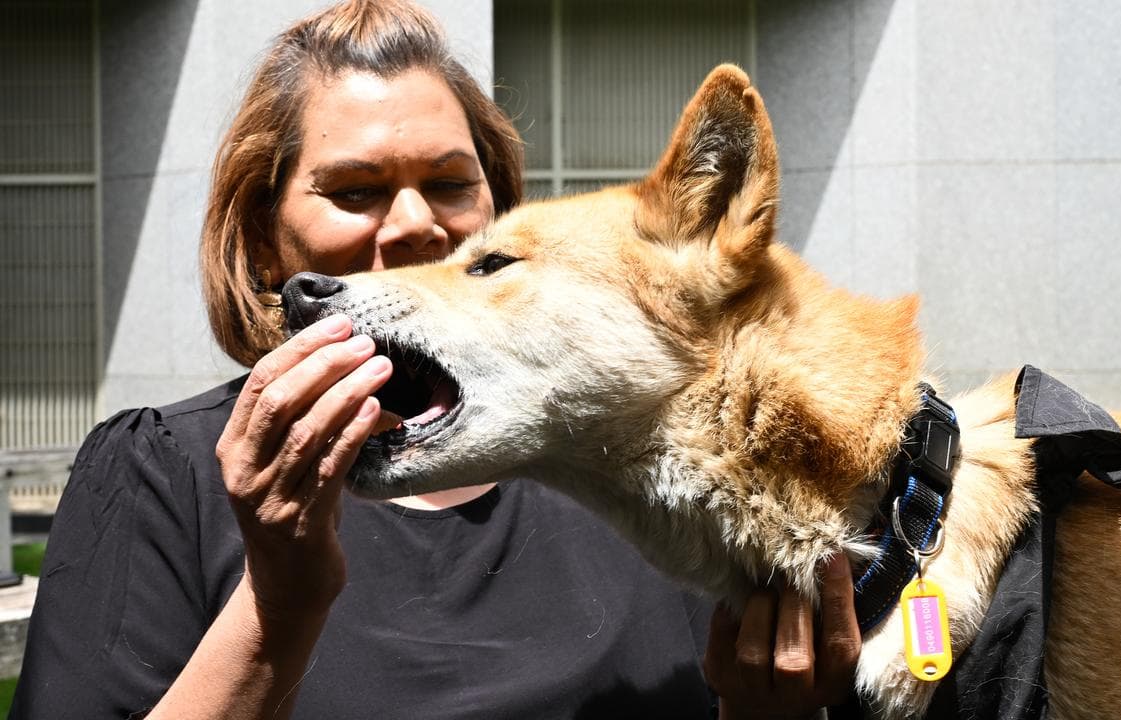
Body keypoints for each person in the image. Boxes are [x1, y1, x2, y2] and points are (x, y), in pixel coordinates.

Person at [10, 2, 859, 718]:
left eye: (452, 183)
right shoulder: (162, 473)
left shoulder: (632, 471)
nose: (416, 221)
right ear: (265, 244)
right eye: (356, 191)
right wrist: (279, 606)